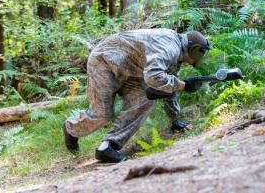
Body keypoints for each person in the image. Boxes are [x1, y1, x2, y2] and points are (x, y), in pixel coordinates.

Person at [63, 28, 212, 163]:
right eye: (202, 52)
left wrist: (174, 118)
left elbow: (168, 85)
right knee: (102, 115)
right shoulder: (171, 47)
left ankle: (106, 148)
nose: (202, 57)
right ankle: (71, 127)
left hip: (131, 70)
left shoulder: (177, 52)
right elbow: (154, 76)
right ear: (194, 49)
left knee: (144, 100)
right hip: (104, 61)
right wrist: (183, 85)